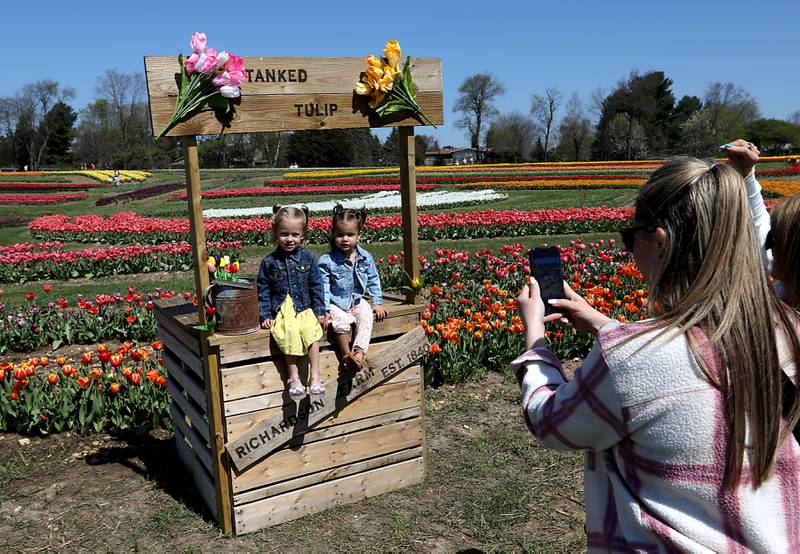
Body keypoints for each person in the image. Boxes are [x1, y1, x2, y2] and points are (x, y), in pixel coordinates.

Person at [513, 156, 800, 551]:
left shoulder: (633, 358)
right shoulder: (786, 330)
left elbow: (552, 421)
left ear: (660, 241)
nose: (629, 250)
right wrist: (603, 324)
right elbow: (694, 352)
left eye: (630, 237)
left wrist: (535, 340)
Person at [257, 205, 327, 400]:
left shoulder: (309, 258)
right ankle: (293, 377)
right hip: (282, 306)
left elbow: (316, 284)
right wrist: (265, 314)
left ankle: (315, 376)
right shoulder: (269, 262)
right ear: (275, 233)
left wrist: (320, 310)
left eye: (295, 234)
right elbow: (263, 289)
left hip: (303, 305)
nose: (290, 239)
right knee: (289, 331)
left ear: (303, 234)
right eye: (284, 234)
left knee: (310, 330)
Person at [318, 205, 386, 370]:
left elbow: (373, 278)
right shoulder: (327, 261)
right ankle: (346, 355)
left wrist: (377, 302)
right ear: (333, 234)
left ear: (358, 235)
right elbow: (324, 287)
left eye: (350, 234)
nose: (345, 239)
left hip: (355, 300)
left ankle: (359, 353)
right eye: (340, 235)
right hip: (335, 302)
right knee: (342, 321)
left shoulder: (364, 257)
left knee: (366, 315)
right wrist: (324, 309)